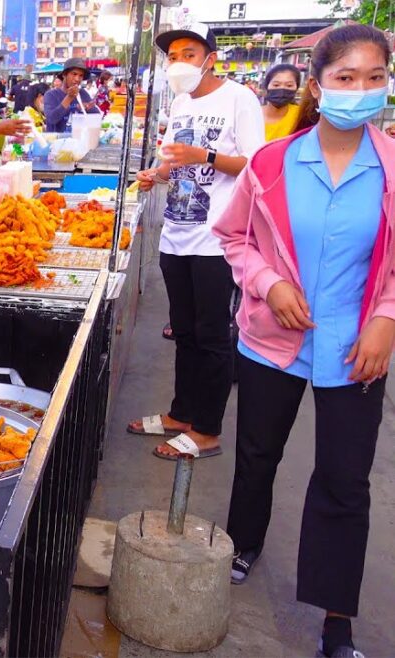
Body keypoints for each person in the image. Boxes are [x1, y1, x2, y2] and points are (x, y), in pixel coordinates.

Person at [214, 23, 395, 658]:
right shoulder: (272, 162)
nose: (362, 90)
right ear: (319, 87)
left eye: (375, 78)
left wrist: (387, 318)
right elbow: (234, 237)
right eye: (347, 78)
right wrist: (268, 283)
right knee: (257, 455)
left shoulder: (393, 166)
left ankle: (337, 623)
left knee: (345, 481)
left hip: (357, 350)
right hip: (271, 340)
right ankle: (243, 543)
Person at [129, 24, 265, 460]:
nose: (179, 62)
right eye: (172, 56)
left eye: (189, 52)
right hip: (177, 234)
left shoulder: (239, 98)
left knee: (212, 337)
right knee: (184, 332)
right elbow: (172, 160)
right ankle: (181, 413)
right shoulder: (181, 103)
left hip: (216, 239)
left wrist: (203, 156)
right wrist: (156, 174)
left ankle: (207, 430)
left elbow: (253, 165)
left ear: (210, 57)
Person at [43, 57, 101, 133]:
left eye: (80, 76)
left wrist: (87, 107)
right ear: (64, 75)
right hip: (56, 142)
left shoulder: (82, 93)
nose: (77, 79)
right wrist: (69, 97)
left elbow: (97, 116)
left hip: (78, 140)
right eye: (74, 74)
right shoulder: (51, 95)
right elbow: (52, 119)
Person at [261, 63, 303, 141]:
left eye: (289, 85)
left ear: (297, 88)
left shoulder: (301, 115)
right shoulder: (253, 113)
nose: (282, 89)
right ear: (267, 86)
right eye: (276, 85)